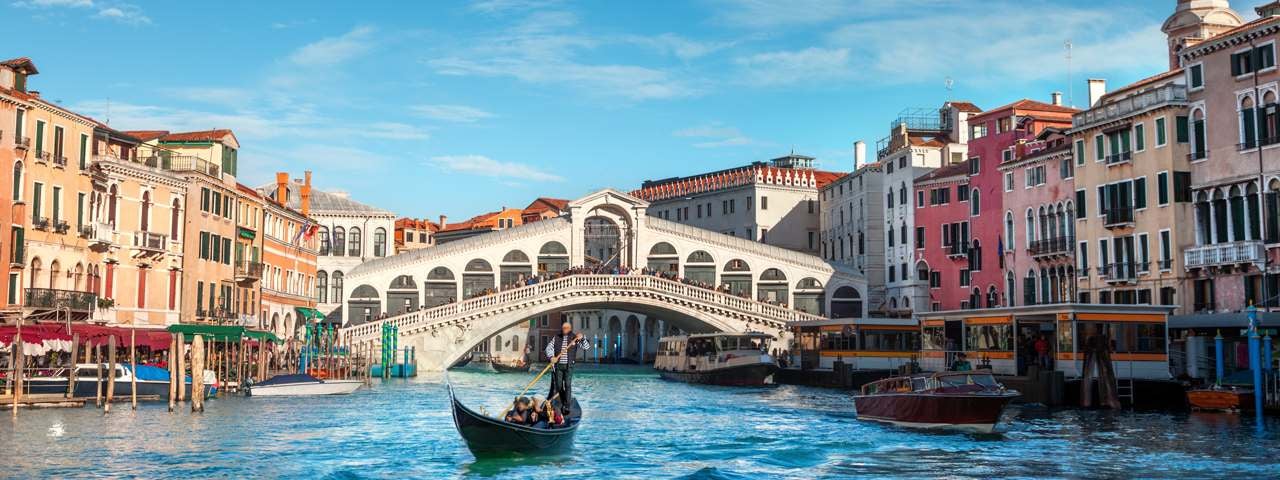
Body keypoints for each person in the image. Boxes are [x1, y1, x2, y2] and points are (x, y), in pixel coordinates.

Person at [545, 320, 592, 416]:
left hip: (569, 365)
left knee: (567, 384)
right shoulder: (556, 337)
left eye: (565, 328)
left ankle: (567, 405)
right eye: (562, 328)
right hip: (558, 365)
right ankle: (563, 402)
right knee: (558, 386)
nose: (563, 330)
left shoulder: (574, 337)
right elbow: (548, 348)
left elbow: (586, 347)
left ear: (570, 329)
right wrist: (551, 357)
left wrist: (582, 338)